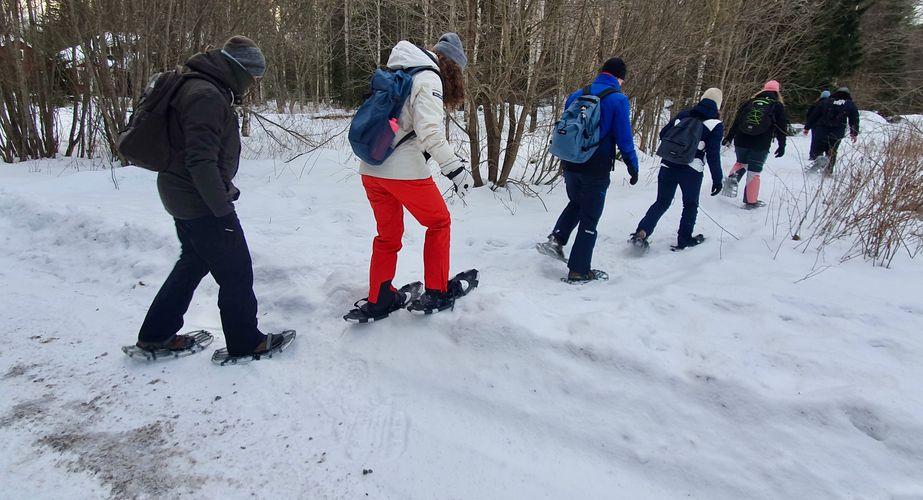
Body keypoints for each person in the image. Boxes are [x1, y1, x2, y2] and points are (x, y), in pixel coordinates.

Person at [134, 36, 293, 361]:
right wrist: (222, 211)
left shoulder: (199, 86)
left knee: (193, 262)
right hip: (200, 202)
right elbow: (200, 161)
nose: (252, 85)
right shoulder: (205, 95)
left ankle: (156, 335)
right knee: (237, 272)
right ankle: (245, 342)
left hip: (182, 194)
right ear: (238, 71)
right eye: (253, 78)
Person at [344, 33, 474, 322]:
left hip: (371, 170)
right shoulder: (429, 79)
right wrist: (454, 168)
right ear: (452, 66)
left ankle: (380, 299)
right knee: (439, 222)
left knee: (387, 236)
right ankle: (438, 291)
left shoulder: (401, 72)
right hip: (404, 173)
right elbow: (430, 132)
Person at [536, 57, 640, 282]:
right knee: (590, 217)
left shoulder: (577, 94)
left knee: (577, 202)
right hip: (596, 166)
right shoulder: (618, 100)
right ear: (619, 78)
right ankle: (579, 271)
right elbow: (624, 138)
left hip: (570, 162)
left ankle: (556, 240)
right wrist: (633, 166)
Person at [630, 88, 725, 250]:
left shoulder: (683, 115)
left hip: (669, 163)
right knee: (690, 205)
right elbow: (713, 154)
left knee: (662, 201)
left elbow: (662, 134)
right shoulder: (715, 125)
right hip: (692, 169)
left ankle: (642, 232)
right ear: (718, 105)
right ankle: (684, 239)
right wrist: (717, 179)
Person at [721, 80, 790, 208]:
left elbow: (737, 121)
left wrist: (729, 137)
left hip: (741, 140)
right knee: (754, 171)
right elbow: (782, 128)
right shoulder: (776, 105)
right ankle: (751, 201)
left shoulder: (749, 103)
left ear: (763, 90)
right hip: (760, 143)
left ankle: (729, 184)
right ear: (777, 92)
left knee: (741, 162)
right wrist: (782, 145)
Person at [804, 87, 859, 174]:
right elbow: (854, 119)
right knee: (832, 151)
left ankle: (819, 160)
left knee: (818, 149)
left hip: (821, 130)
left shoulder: (825, 101)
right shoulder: (850, 104)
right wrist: (854, 133)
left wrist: (807, 127)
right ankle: (828, 171)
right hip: (837, 132)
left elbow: (814, 115)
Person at [804, 89, 831, 166]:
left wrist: (807, 127)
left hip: (815, 126)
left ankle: (813, 155)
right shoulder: (830, 105)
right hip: (826, 126)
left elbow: (810, 115)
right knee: (827, 141)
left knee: (815, 141)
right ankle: (826, 155)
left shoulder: (816, 104)